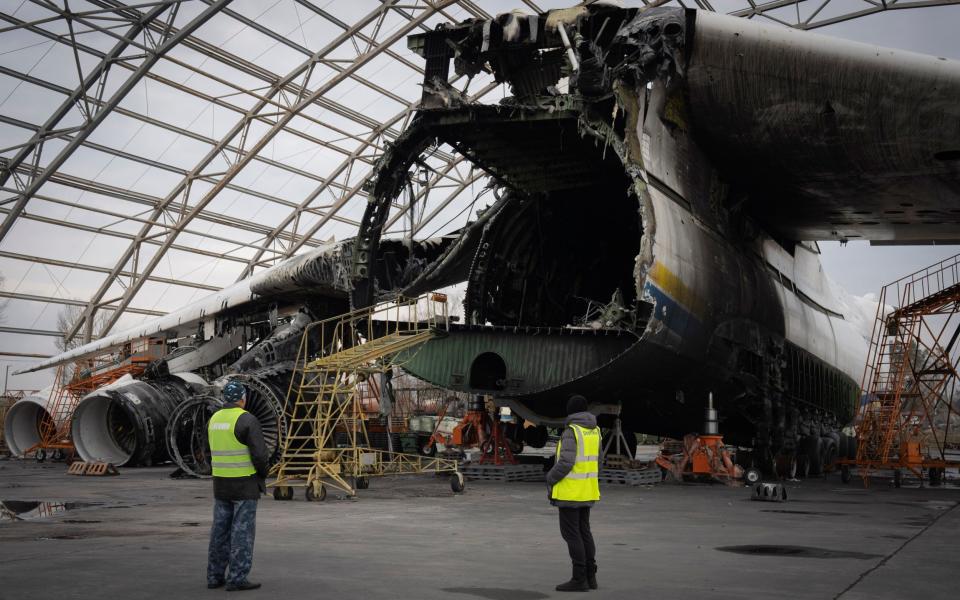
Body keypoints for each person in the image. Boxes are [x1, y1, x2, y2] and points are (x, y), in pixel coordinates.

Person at [207, 380, 269, 592]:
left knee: (219, 531)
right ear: (242, 398)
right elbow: (260, 455)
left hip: (221, 484)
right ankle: (237, 577)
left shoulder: (214, 419)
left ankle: (214, 576)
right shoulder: (246, 419)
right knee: (242, 533)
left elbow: (209, 451)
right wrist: (263, 474)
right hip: (244, 484)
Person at [545, 394, 601, 592]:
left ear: (570, 412)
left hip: (570, 492)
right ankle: (590, 577)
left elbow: (566, 462)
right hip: (587, 490)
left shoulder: (572, 431)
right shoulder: (595, 431)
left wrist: (550, 478)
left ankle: (579, 579)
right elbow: (598, 461)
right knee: (584, 532)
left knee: (572, 534)